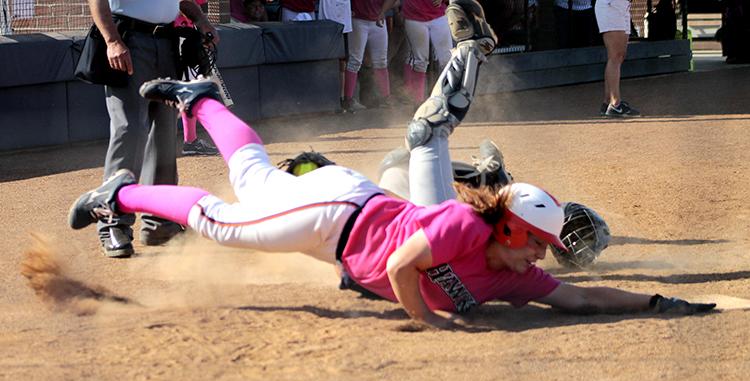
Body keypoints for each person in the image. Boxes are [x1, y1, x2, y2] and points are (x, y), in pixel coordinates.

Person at [69, 0, 713, 328]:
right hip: (334, 217)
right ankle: (120, 195)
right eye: (537, 244)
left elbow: (578, 297)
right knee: (224, 220)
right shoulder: (471, 231)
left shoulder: (511, 278)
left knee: (253, 174)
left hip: (344, 206)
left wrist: (652, 300)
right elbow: (405, 269)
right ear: (508, 228)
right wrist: (432, 324)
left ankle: (202, 101)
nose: (541, 258)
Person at [86, 0, 218, 258]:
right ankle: (113, 223)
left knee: (164, 135)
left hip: (166, 42)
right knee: (130, 131)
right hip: (128, 40)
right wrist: (112, 40)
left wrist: (200, 19)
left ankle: (160, 223)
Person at [342, 0, 398, 112]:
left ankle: (386, 97)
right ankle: (348, 99)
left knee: (380, 62)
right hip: (358, 19)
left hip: (376, 19)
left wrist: (383, 12)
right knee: (355, 61)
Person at [401, 0, 453, 105]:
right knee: (420, 61)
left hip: (438, 16)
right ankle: (418, 101)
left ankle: (449, 97)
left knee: (447, 59)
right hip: (414, 17)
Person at [595, 0, 640, 117]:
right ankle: (615, 104)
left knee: (619, 56)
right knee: (615, 56)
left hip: (623, 6)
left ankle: (607, 102)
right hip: (611, 5)